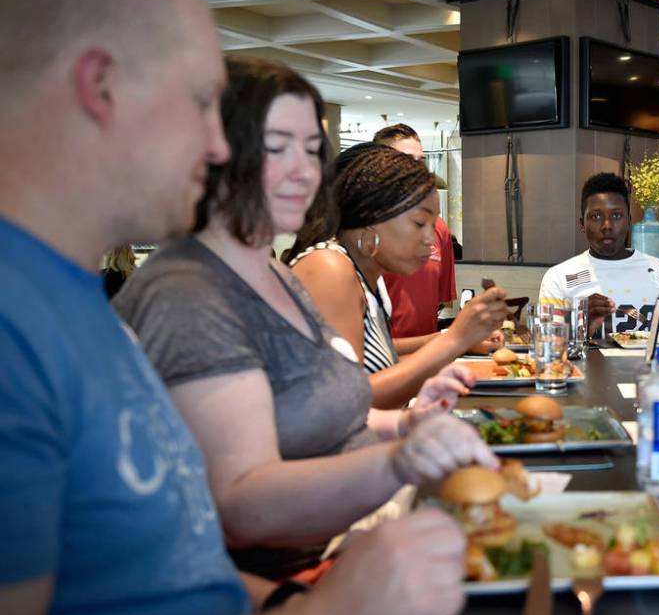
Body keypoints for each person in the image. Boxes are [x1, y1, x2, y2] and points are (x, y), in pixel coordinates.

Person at [0, 0, 465, 615]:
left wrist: (294, 606)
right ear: (100, 85)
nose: (219, 147)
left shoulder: (75, 301)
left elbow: (168, 567)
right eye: (197, 103)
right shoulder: (21, 329)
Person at [115, 56, 497, 581]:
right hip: (286, 575)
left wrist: (408, 422)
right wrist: (401, 459)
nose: (305, 170)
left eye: (313, 150)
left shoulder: (274, 274)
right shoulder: (189, 292)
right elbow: (241, 503)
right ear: (212, 153)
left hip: (345, 538)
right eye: (277, 147)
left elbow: (323, 418)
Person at [285, 141, 510, 409]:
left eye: (433, 223)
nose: (430, 239)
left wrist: (456, 340)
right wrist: (454, 340)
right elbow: (345, 403)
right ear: (371, 216)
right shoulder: (328, 267)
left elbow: (381, 362)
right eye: (419, 223)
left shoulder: (369, 276)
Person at [539, 172, 659, 335]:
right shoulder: (559, 277)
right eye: (595, 216)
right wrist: (581, 322)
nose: (606, 225)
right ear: (582, 224)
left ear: (629, 221)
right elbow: (546, 347)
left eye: (616, 215)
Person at [374, 124, 459, 337]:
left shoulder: (439, 228)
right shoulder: (366, 232)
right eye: (406, 160)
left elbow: (441, 304)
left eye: (421, 161)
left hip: (426, 362)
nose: (417, 169)